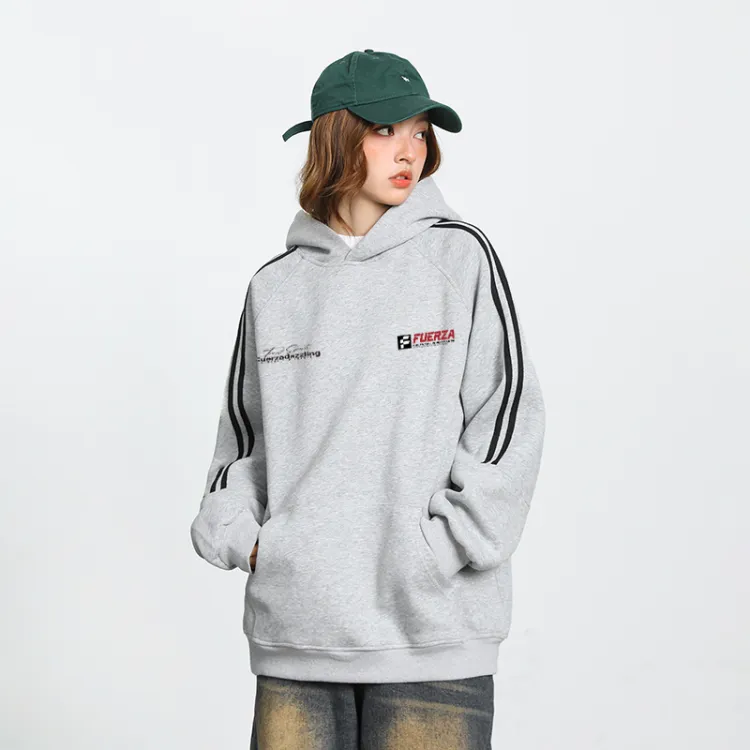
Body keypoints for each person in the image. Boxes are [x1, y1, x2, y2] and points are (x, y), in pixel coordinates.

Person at [190, 48, 546, 749]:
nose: (410, 151)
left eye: (420, 132)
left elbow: (508, 417)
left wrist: (441, 548)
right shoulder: (275, 287)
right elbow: (245, 441)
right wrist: (253, 541)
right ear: (334, 137)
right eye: (386, 130)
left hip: (434, 636)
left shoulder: (460, 258)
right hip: (299, 634)